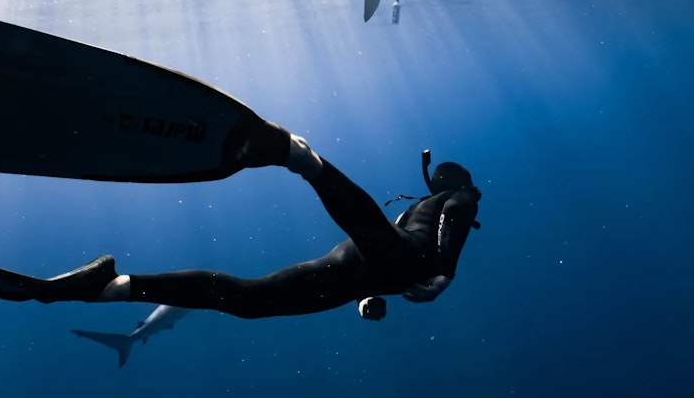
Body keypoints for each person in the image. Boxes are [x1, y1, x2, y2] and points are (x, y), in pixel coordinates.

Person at [31, 114, 482, 321]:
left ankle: (112, 287)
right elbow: (453, 223)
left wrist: (366, 297)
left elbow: (385, 238)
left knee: (253, 301)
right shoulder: (460, 197)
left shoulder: (416, 206)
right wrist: (446, 277)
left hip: (361, 272)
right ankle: (297, 155)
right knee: (366, 233)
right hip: (392, 264)